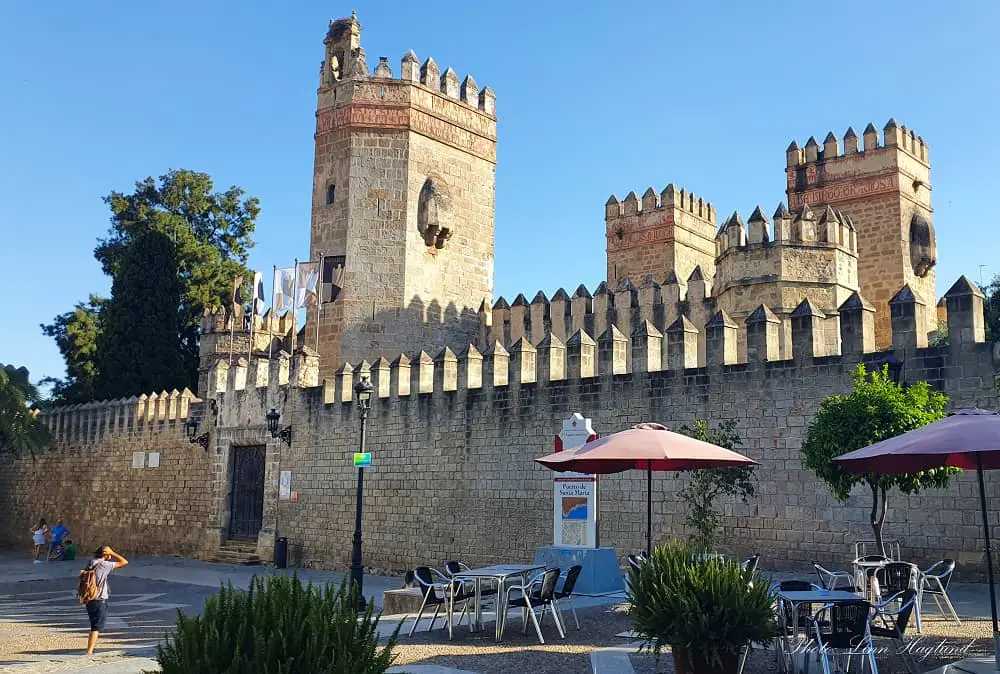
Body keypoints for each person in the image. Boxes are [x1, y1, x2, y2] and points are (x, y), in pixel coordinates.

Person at [84, 546, 128, 655]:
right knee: (96, 627)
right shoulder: (104, 565)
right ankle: (89, 651)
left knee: (94, 624)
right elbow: (124, 562)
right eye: (108, 554)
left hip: (89, 598)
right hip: (98, 599)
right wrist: (113, 553)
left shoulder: (91, 562)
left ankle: (91, 649)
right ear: (105, 554)